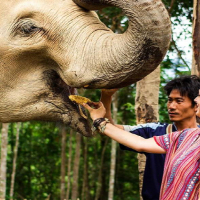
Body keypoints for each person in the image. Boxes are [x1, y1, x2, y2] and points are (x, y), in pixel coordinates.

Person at [82, 75, 200, 200]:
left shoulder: (193, 137)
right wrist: (106, 97)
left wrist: (99, 121)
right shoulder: (158, 131)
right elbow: (113, 130)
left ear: (195, 105)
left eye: (179, 101)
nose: (171, 106)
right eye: (170, 100)